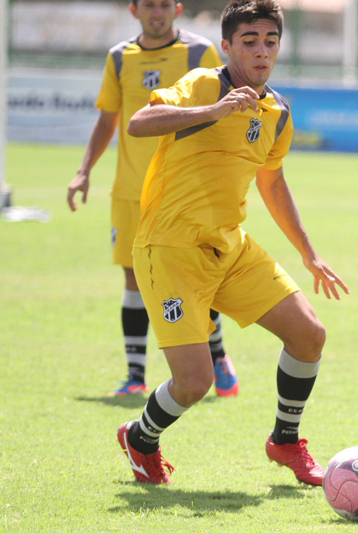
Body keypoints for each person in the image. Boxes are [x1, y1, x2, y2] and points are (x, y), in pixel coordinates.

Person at [115, 0, 348, 486]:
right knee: (194, 383)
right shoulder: (202, 83)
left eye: (270, 41)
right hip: (170, 249)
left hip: (231, 247)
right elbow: (138, 123)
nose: (261, 51)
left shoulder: (277, 110)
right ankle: (141, 438)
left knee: (309, 335)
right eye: (249, 41)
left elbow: (273, 183)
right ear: (226, 46)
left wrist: (309, 253)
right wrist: (214, 109)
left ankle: (285, 441)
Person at [66, 0, 240, 398]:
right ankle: (134, 375)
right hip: (131, 191)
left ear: (177, 9)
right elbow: (108, 118)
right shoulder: (119, 57)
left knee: (197, 276)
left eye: (164, 4)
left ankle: (216, 355)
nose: (156, 12)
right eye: (149, 5)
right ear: (134, 11)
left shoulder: (200, 54)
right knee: (133, 279)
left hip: (186, 193)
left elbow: (222, 114)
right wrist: (83, 171)